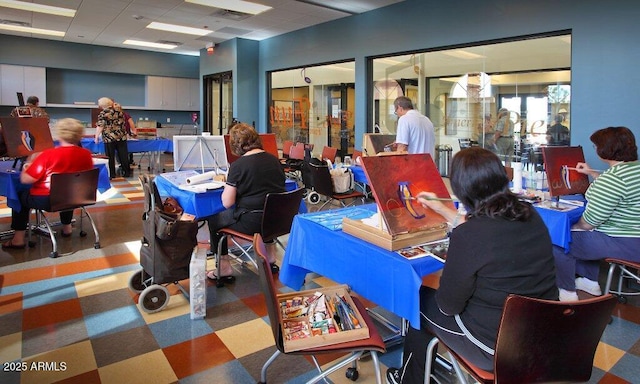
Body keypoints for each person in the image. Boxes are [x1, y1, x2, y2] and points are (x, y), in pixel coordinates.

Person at [386, 147, 558, 384]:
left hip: (494, 347)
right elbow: (487, 226)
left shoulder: (469, 235)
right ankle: (424, 368)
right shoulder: (529, 214)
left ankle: (411, 379)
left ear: (460, 190)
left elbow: (448, 306)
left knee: (417, 302)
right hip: (544, 333)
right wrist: (442, 209)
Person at [554, 126, 640, 302]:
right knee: (582, 237)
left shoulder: (613, 179)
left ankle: (567, 293)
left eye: (595, 146)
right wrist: (592, 173)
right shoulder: (634, 170)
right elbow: (619, 189)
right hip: (634, 238)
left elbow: (589, 223)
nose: (594, 149)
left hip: (625, 242)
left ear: (606, 149)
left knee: (560, 240)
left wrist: (573, 227)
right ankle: (589, 281)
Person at [205, 122, 286, 283]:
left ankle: (224, 268)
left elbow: (227, 203)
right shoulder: (275, 161)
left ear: (236, 145)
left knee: (214, 219)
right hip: (278, 221)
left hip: (252, 223)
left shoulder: (238, 166)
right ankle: (270, 258)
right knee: (266, 209)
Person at [1, 118, 94, 249]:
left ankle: (18, 239)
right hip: (78, 197)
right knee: (69, 188)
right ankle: (67, 227)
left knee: (20, 195)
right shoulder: (86, 155)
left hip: (47, 199)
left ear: (59, 134)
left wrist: (28, 164)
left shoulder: (48, 155)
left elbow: (26, 180)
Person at [95, 97, 131, 178]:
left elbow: (100, 126)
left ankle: (112, 174)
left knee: (110, 156)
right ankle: (126, 172)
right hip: (121, 136)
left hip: (109, 138)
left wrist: (96, 137)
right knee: (123, 155)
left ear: (101, 105)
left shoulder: (103, 113)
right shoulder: (119, 111)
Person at [113, 101, 137, 166]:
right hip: (122, 135)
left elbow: (131, 123)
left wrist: (134, 131)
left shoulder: (124, 114)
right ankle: (127, 162)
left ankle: (124, 162)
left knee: (121, 149)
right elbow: (131, 122)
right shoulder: (124, 114)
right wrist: (134, 131)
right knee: (126, 148)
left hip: (122, 135)